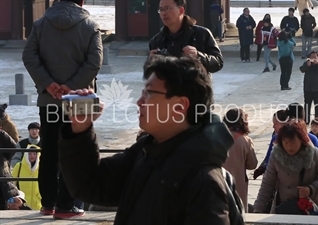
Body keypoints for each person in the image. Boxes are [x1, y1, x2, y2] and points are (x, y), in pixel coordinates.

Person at [57, 56, 245, 224]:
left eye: (149, 93)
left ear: (180, 106)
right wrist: (80, 129)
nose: (140, 101)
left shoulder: (204, 181)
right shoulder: (146, 153)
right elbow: (90, 186)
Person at [22, 0, 103, 218]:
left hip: (49, 99)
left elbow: (29, 56)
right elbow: (95, 61)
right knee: (76, 150)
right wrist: (72, 86)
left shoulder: (40, 24)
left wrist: (48, 83)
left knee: (48, 150)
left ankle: (48, 203)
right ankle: (67, 206)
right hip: (80, 100)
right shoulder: (90, 26)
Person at [253, 120, 318, 215]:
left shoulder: (313, 153)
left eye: (292, 142)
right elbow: (267, 184)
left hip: (310, 209)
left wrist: (311, 189)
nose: (289, 146)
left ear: (301, 139)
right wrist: (258, 210)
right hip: (284, 208)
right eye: (285, 142)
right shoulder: (276, 155)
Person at [149, 0, 223, 74]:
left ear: (181, 10)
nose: (164, 13)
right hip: (169, 85)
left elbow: (218, 63)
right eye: (161, 10)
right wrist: (151, 63)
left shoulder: (201, 34)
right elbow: (150, 75)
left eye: (167, 8)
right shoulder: (156, 40)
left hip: (195, 85)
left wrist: (198, 55)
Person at [253, 104, 318, 179]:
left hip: (283, 182)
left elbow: (269, 161)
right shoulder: (313, 139)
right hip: (307, 184)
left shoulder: (277, 138)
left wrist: (262, 169)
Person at [222, 108, 258, 213]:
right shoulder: (245, 140)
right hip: (238, 185)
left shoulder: (217, 137)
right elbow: (252, 164)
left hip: (219, 182)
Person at [299, 51, 318, 124]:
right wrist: (307, 65)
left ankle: (317, 120)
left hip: (317, 88)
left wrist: (317, 63)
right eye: (312, 57)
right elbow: (302, 69)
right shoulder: (307, 63)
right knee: (307, 105)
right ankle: (306, 120)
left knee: (317, 105)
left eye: (315, 57)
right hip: (308, 88)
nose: (313, 58)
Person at [12, 144, 42, 210]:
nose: (32, 156)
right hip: (22, 204)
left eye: (34, 154)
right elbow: (12, 184)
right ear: (26, 154)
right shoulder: (19, 166)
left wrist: (40, 198)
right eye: (30, 153)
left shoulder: (41, 168)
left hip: (38, 205)